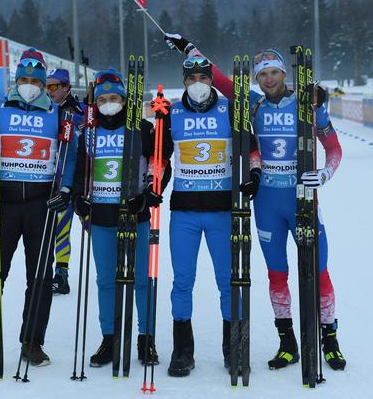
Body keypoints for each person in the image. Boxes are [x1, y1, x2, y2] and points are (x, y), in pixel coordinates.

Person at [164, 34, 347, 373]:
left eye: (274, 73)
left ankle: (330, 340)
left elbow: (334, 149)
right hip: (266, 204)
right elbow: (216, 77)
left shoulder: (308, 104)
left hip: (302, 201)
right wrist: (189, 47)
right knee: (277, 275)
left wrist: (324, 174)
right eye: (263, 75)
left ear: (284, 74)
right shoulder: (253, 103)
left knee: (318, 270)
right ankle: (288, 342)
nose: (269, 80)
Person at [0, 48, 77, 373]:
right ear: (16, 80)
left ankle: (32, 341)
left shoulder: (56, 114)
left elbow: (69, 156)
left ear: (45, 85)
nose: (29, 85)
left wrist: (66, 189)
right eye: (24, 80)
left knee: (40, 277)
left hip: (41, 203)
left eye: (36, 81)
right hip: (4, 202)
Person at [155, 56, 257, 378]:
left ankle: (233, 349)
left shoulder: (229, 109)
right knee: (182, 282)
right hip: (184, 212)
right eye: (190, 77)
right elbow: (161, 157)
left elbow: (251, 148)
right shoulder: (172, 112)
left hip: (221, 211)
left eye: (202, 76)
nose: (196, 82)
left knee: (227, 283)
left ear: (211, 79)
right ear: (184, 80)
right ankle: (182, 352)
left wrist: (254, 174)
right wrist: (154, 183)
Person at [72, 69, 168, 368]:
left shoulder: (141, 128)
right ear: (96, 102)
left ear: (125, 100)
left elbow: (160, 160)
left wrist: (152, 190)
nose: (109, 103)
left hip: (134, 212)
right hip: (101, 214)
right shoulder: (88, 131)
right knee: (105, 281)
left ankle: (145, 338)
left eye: (115, 98)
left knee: (142, 279)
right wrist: (79, 198)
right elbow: (80, 170)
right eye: (103, 99)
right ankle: (110, 338)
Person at [45, 68, 76, 295]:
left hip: (81, 181)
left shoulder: (81, 110)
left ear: (66, 88)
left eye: (54, 86)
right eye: (47, 86)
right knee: (60, 229)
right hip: (55, 180)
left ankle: (115, 266)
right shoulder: (44, 111)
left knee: (96, 227)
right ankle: (60, 274)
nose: (49, 90)